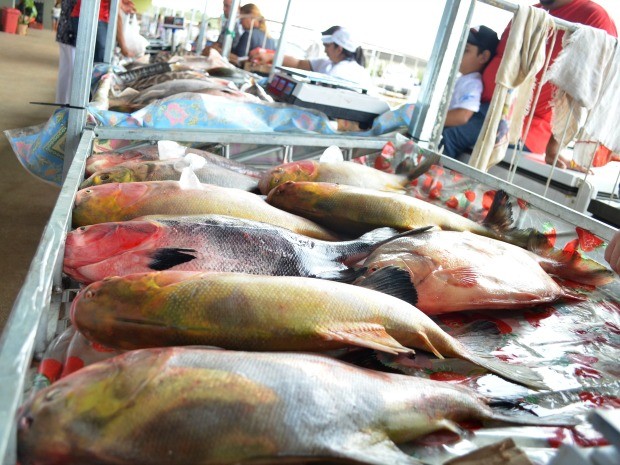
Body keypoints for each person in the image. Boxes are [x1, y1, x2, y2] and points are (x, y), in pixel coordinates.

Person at [480, 0, 617, 172]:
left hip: (522, 130)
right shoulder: (531, 12)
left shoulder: (594, 17)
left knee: (445, 136)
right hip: (485, 111)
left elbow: (587, 91)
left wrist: (554, 148)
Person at [440, 25, 499, 159]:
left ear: (483, 57)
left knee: (446, 139)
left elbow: (463, 116)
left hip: (445, 134)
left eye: (465, 50)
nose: (458, 54)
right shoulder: (463, 79)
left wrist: (431, 119)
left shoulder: (473, 83)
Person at [250, 25, 373, 88]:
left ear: (339, 49)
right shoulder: (328, 63)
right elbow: (298, 63)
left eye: (327, 46)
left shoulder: (344, 71)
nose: (325, 50)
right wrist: (270, 56)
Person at [69, 0, 136, 63]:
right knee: (99, 63)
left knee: (84, 61)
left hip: (82, 15)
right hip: (94, 18)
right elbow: (115, 13)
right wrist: (123, 48)